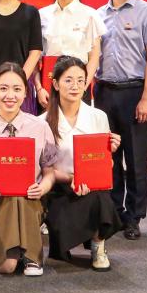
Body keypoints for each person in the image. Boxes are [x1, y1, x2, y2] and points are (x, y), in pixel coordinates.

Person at [95, 0, 147, 240]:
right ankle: (114, 211)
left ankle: (135, 217)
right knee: (108, 157)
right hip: (104, 91)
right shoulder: (98, 15)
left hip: (134, 92)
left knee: (136, 159)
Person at [0, 63, 59, 277]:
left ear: (26, 92)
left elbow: (49, 173)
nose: (10, 95)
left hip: (31, 200)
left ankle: (31, 255)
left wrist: (42, 188)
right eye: (3, 88)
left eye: (17, 89)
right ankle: (22, 251)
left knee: (20, 194)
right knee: (7, 267)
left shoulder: (41, 127)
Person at [37, 56, 122, 272]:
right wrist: (71, 179)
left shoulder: (98, 116)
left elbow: (106, 165)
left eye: (80, 80)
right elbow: (44, 170)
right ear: (55, 84)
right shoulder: (42, 122)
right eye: (68, 80)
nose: (75, 86)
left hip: (90, 185)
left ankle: (98, 246)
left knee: (100, 197)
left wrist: (109, 152)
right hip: (58, 186)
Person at [37, 0, 104, 108]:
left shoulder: (90, 14)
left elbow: (94, 57)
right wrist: (39, 88)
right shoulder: (41, 15)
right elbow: (35, 57)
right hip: (48, 86)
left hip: (78, 87)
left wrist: (82, 87)